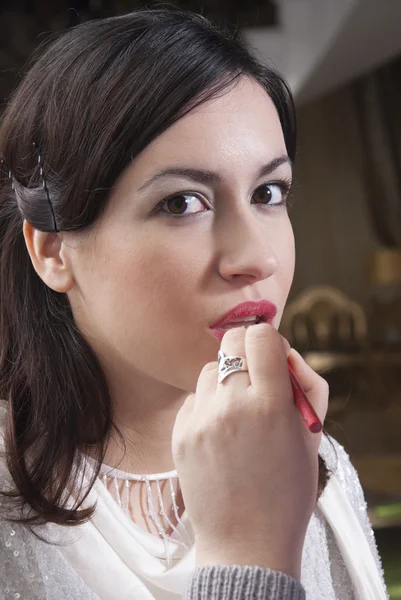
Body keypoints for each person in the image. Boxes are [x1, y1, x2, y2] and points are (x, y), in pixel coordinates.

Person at [0, 8, 388, 600]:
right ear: (54, 251)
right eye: (182, 203)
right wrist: (251, 555)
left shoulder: (311, 461)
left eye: (268, 193)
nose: (254, 257)